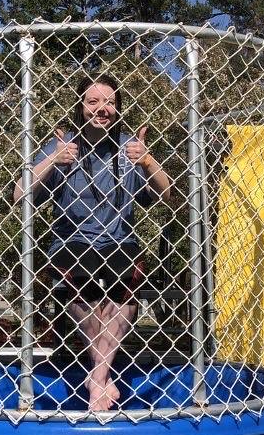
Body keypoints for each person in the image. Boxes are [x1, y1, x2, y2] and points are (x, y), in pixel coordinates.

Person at [13, 74, 171, 411]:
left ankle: (96, 378)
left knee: (123, 294)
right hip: (72, 239)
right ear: (80, 107)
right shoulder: (63, 145)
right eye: (93, 102)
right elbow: (19, 194)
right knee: (86, 290)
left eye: (110, 102)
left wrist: (147, 160)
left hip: (119, 239)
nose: (103, 109)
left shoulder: (130, 148)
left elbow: (166, 191)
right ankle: (100, 377)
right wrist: (53, 160)